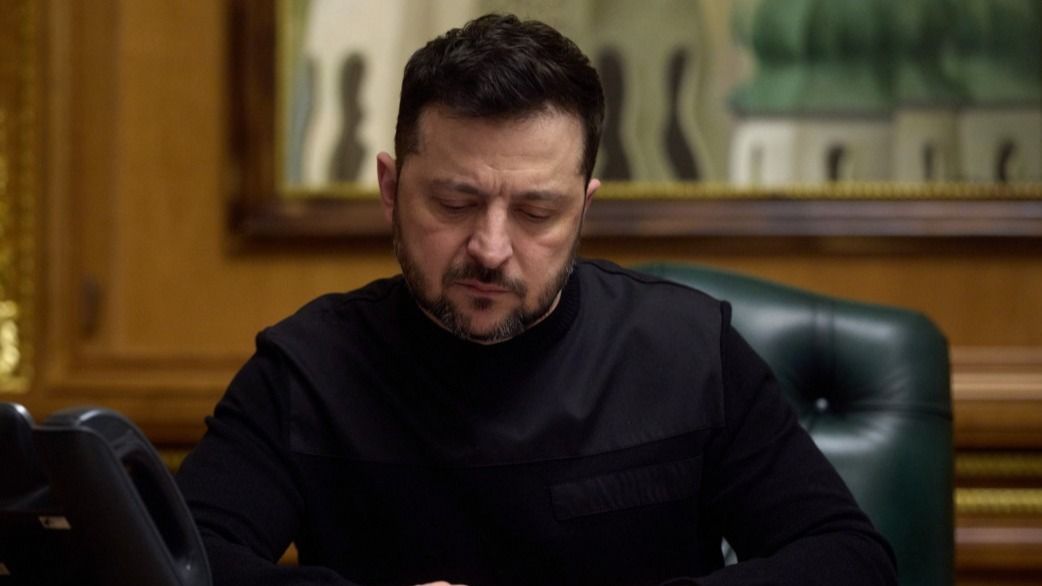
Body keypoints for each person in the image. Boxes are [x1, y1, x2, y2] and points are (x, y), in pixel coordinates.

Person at [176, 14, 897, 586]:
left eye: (536, 212)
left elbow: (850, 559)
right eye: (455, 202)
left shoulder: (687, 351)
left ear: (584, 209)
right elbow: (173, 562)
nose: (491, 247)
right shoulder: (307, 369)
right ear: (391, 190)